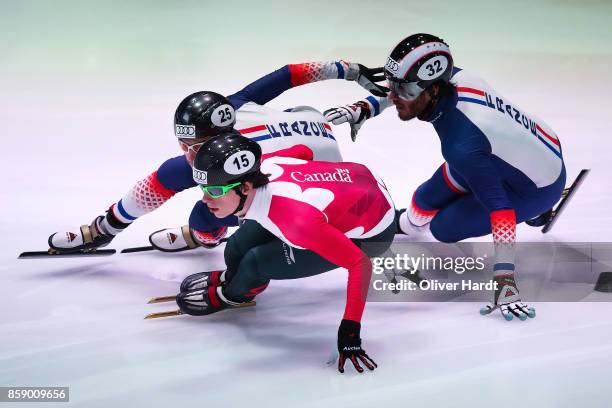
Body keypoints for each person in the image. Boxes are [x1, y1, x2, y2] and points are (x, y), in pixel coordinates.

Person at [325, 33, 566, 321]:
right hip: (531, 148)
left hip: (536, 188)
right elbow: (400, 90)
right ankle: (403, 224)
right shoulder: (456, 80)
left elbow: (500, 209)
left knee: (442, 228)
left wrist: (505, 281)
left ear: (434, 90)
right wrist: (367, 106)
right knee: (422, 202)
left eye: (405, 91)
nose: (394, 97)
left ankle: (537, 213)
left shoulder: (462, 144)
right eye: (395, 86)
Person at [48, 60, 388, 253]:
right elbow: (287, 74)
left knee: (204, 209)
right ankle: (117, 228)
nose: (186, 152)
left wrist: (104, 228)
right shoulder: (233, 105)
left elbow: (158, 183)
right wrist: (349, 70)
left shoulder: (247, 161)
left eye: (191, 145)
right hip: (319, 140)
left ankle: (204, 237)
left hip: (315, 184)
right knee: (193, 182)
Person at [175, 131, 396, 373]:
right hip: (358, 178)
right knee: (236, 246)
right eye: (204, 189)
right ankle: (231, 278)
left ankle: (235, 294)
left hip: (374, 232)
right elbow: (304, 151)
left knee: (255, 263)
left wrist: (350, 331)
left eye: (215, 191)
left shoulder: (298, 224)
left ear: (246, 187)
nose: (206, 199)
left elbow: (360, 264)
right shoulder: (266, 164)